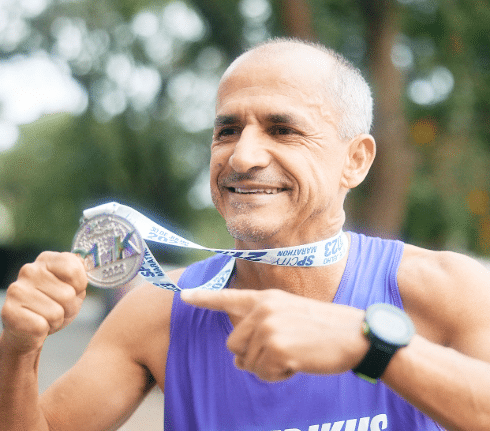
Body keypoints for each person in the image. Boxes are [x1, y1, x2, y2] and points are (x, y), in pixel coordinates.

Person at [1, 38, 490, 431]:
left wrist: (372, 346)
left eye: (282, 130)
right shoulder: (159, 313)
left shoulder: (447, 290)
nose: (242, 156)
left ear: (355, 161)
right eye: (228, 130)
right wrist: (19, 349)